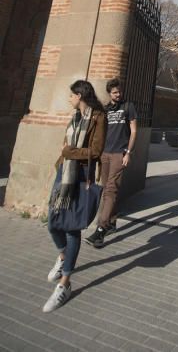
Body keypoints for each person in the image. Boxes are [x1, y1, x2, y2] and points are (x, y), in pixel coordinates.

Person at [44, 80, 106, 313]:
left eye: (72, 95)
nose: (69, 99)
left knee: (72, 228)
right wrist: (63, 157)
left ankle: (65, 283)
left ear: (80, 95)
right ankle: (63, 256)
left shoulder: (98, 117)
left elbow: (96, 151)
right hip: (65, 173)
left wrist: (70, 152)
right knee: (52, 223)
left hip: (80, 175)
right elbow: (67, 142)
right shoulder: (76, 117)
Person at [85, 77, 137, 248]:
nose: (118, 94)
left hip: (118, 154)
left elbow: (134, 130)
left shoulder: (128, 107)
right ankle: (112, 222)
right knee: (105, 186)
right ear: (109, 93)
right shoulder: (106, 109)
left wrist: (128, 152)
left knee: (111, 189)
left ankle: (100, 230)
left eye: (119, 91)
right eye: (115, 92)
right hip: (105, 154)